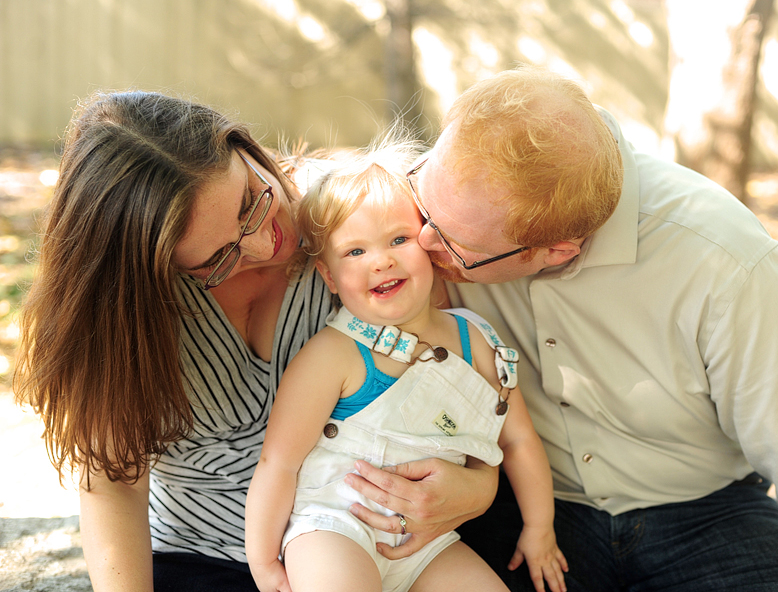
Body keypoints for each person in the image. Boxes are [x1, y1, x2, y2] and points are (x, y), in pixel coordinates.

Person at [387, 66, 778, 591]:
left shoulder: (722, 259)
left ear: (554, 251)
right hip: (527, 505)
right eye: (423, 201)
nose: (420, 242)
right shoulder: (440, 207)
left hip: (707, 515)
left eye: (455, 247)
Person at [12, 91, 498, 592]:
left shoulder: (350, 220)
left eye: (253, 201)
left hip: (378, 540)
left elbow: (451, 371)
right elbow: (114, 485)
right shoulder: (129, 310)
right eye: (218, 257)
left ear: (243, 148)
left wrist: (481, 486)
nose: (266, 245)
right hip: (206, 557)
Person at [244, 140, 568, 592]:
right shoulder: (332, 355)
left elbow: (517, 440)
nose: (381, 260)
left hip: (426, 541)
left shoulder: (474, 339)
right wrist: (262, 562)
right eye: (355, 252)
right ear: (329, 277)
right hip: (335, 526)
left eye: (399, 239)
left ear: (431, 248)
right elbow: (278, 462)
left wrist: (539, 528)